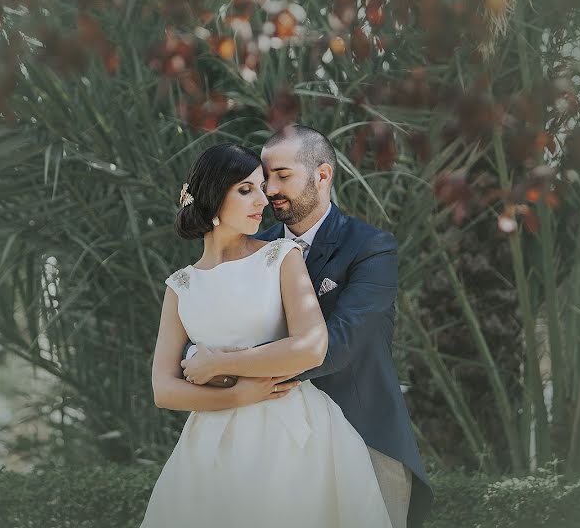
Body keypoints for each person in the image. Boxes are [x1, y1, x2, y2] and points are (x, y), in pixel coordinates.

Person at [182, 124, 434, 527]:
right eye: (264, 179)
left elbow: (338, 344)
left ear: (322, 175)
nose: (269, 190)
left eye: (283, 176)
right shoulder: (254, 247)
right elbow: (209, 315)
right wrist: (197, 356)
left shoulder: (370, 247)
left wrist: (224, 365)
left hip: (365, 433)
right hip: (271, 445)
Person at [141, 142, 393, 527]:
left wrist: (220, 364)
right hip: (212, 443)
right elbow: (163, 389)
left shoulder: (281, 256)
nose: (263, 198)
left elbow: (311, 347)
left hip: (293, 433)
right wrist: (239, 395)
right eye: (246, 189)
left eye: (262, 187)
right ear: (212, 197)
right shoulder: (180, 286)